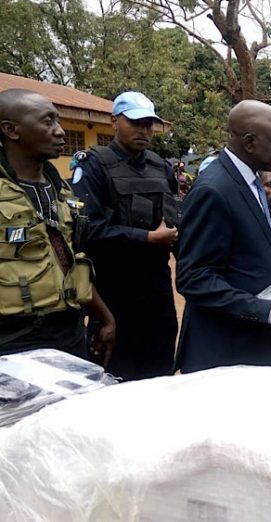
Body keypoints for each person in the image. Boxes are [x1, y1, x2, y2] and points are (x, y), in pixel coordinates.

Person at [175, 100, 271, 372]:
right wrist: (265, 311)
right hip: (225, 351)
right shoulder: (214, 190)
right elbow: (193, 278)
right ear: (250, 142)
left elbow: (258, 250)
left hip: (252, 343)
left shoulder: (251, 182)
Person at [0, 89, 115, 362]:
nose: (60, 131)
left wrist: (105, 317)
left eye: (59, 121)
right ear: (11, 130)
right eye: (48, 121)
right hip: (13, 341)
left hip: (68, 333)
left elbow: (68, 258)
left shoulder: (61, 191)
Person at [72, 91, 178, 381]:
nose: (144, 130)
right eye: (135, 122)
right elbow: (88, 229)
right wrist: (146, 238)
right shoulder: (93, 165)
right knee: (115, 377)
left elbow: (174, 220)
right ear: (114, 121)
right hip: (112, 291)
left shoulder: (161, 166)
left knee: (159, 375)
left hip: (157, 291)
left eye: (149, 124)